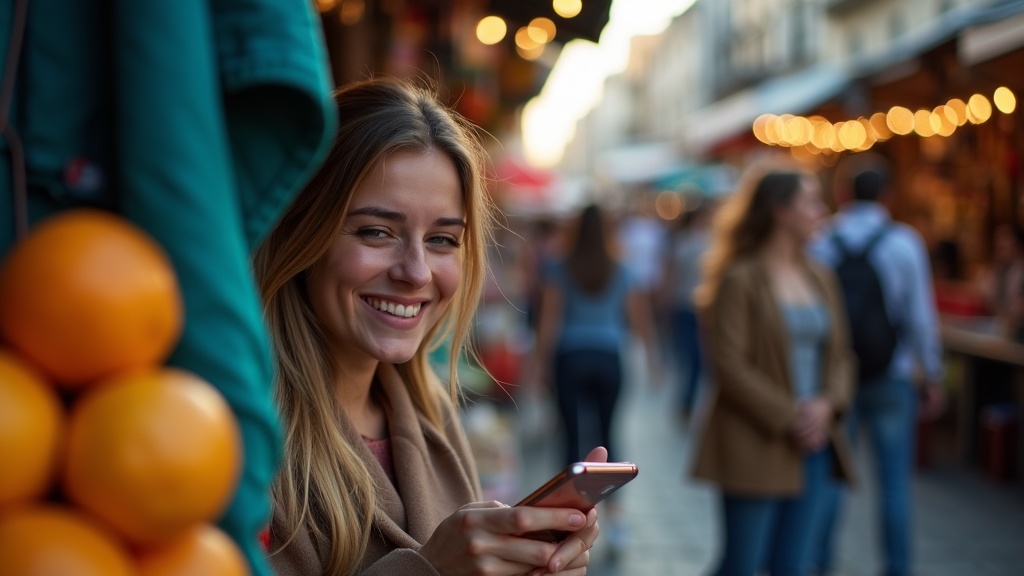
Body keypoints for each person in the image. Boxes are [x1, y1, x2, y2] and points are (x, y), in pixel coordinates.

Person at [254, 78, 603, 576]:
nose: (416, 271)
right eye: (376, 232)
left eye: (442, 239)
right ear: (302, 233)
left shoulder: (428, 412)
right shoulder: (243, 435)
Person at [692, 166, 855, 576]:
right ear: (780, 211)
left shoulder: (821, 275)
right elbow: (728, 365)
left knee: (795, 565)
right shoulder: (740, 278)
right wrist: (791, 415)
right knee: (743, 565)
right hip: (757, 441)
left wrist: (826, 405)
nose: (821, 210)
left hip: (815, 442)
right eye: (811, 201)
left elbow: (841, 356)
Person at [810, 156, 946, 576]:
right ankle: (896, 568)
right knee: (893, 483)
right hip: (892, 374)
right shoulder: (904, 242)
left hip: (835, 379)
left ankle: (817, 563)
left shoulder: (821, 241)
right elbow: (921, 315)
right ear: (887, 194)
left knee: (831, 480)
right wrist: (933, 373)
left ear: (845, 193)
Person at [532, 203, 660, 467]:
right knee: (607, 433)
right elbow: (640, 320)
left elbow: (549, 322)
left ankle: (567, 497)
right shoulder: (622, 270)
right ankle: (610, 497)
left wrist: (539, 362)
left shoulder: (558, 269)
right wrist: (652, 358)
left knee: (569, 437)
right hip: (609, 357)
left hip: (570, 358)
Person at [662, 201, 716, 423]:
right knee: (698, 358)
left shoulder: (681, 243)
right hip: (699, 307)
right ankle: (690, 402)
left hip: (684, 305)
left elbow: (670, 275)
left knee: (689, 357)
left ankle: (687, 401)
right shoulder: (711, 243)